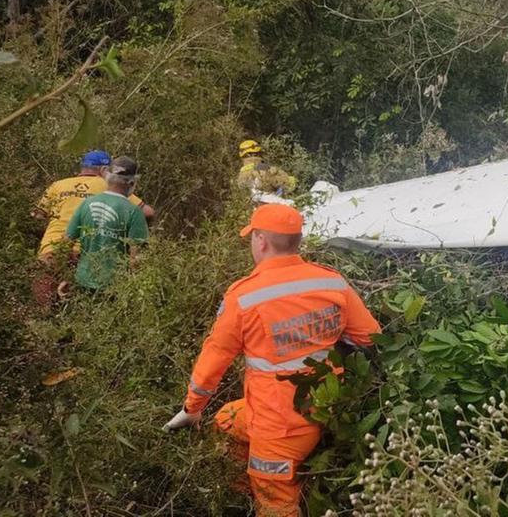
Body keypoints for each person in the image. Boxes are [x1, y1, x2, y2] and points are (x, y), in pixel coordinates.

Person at [162, 204, 381, 517]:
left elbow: (215, 357)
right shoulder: (333, 283)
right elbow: (371, 337)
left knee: (277, 507)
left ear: (261, 241)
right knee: (226, 422)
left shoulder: (243, 297)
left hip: (277, 427)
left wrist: (192, 408)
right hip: (327, 408)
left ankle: (267, 491)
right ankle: (246, 492)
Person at [32, 150, 154, 304]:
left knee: (43, 305)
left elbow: (36, 216)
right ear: (104, 170)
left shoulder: (58, 185)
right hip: (86, 255)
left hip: (51, 249)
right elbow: (148, 213)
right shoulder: (109, 188)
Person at [64, 156, 150, 291]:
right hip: (115, 287)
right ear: (132, 182)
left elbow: (66, 243)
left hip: (82, 281)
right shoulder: (134, 212)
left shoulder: (86, 204)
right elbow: (136, 259)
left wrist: (65, 278)